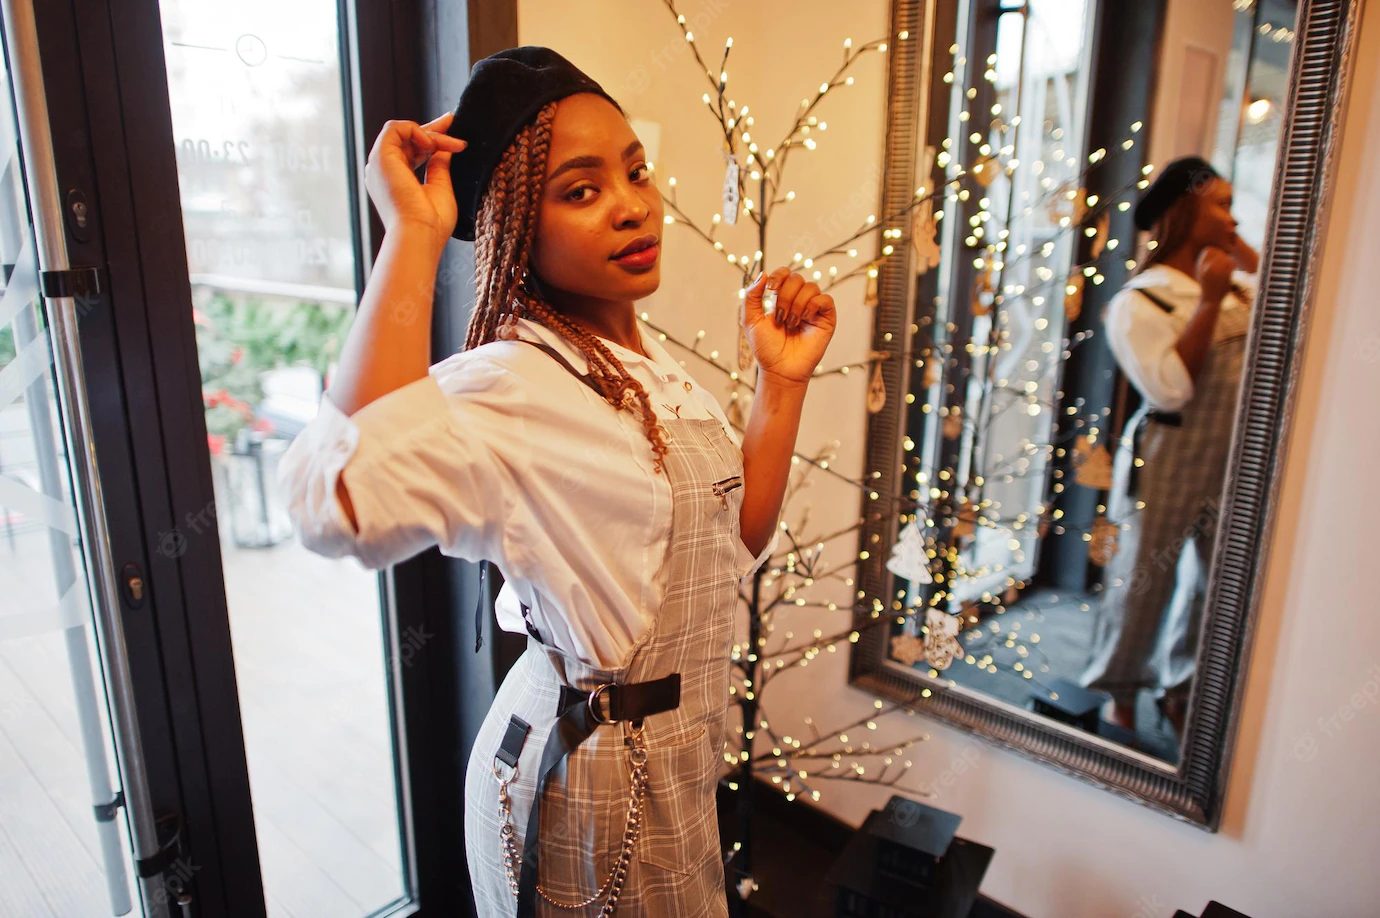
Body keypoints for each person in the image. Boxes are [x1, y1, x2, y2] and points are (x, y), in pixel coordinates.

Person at [276, 47, 836, 917]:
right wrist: (413, 237)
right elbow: (337, 500)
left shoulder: (648, 372)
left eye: (635, 172)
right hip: (588, 780)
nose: (632, 206)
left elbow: (730, 552)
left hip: (675, 762)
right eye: (581, 191)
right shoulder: (515, 380)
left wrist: (783, 383)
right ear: (514, 227)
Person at [1080, 156, 1256, 738]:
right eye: (1221, 204)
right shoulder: (1142, 301)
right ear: (1185, 211)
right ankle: (1120, 690)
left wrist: (1246, 271)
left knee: (1216, 584)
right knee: (1142, 580)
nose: (1232, 218)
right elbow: (1172, 389)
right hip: (1170, 454)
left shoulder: (1238, 287)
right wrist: (1207, 300)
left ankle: (1181, 689)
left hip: (1233, 457)